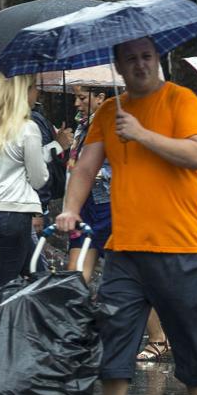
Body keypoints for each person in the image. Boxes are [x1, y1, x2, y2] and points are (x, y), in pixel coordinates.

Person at [56, 36, 197, 395]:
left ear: (158, 59)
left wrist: (142, 134)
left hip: (181, 246)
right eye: (130, 58)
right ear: (118, 65)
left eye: (147, 57)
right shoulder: (109, 113)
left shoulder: (182, 100)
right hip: (126, 249)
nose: (140, 65)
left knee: (189, 338)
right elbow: (85, 167)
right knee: (114, 336)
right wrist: (70, 209)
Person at [0, 74, 49, 297]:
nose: (37, 93)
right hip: (13, 215)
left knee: (38, 277)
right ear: (23, 92)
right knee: (0, 289)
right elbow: (39, 179)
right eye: (33, 88)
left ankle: (45, 326)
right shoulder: (27, 128)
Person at [64, 86, 113, 282]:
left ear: (100, 97)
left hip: (108, 208)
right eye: (76, 98)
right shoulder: (81, 125)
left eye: (82, 98)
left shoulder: (114, 124)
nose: (77, 103)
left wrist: (89, 171)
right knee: (75, 274)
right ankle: (75, 308)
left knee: (115, 277)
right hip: (84, 206)